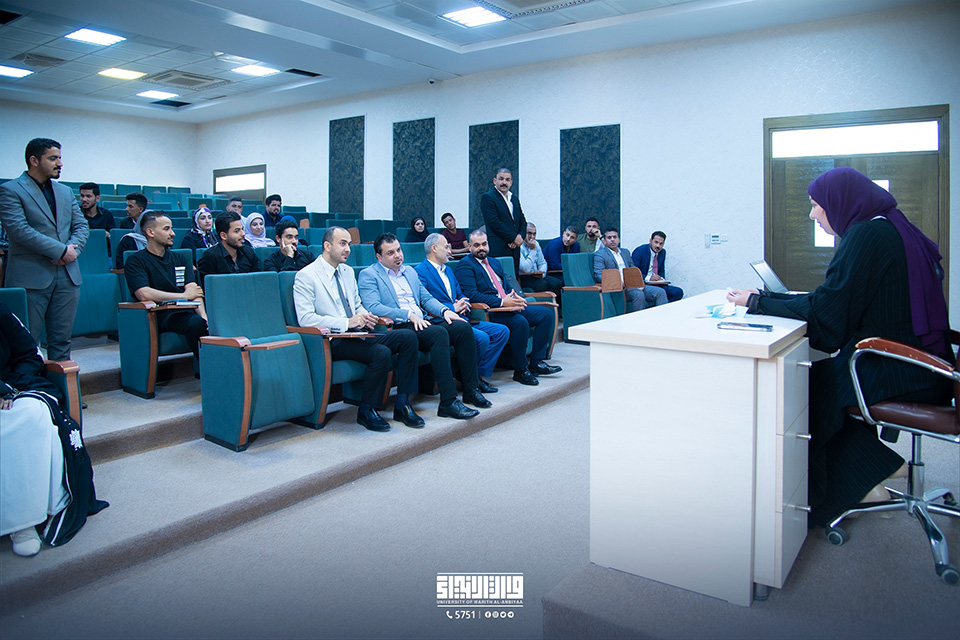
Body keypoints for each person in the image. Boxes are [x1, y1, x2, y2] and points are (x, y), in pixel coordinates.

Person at [727, 167, 952, 529]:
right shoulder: (890, 226)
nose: (812, 214)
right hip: (927, 366)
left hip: (898, 369)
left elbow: (829, 320)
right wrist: (771, 300)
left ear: (840, 202)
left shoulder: (864, 236)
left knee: (799, 389)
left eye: (816, 205)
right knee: (820, 380)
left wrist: (757, 302)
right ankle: (875, 474)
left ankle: (868, 476)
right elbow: (837, 303)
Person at [1, 304, 108, 557]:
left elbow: (29, 355)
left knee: (33, 415)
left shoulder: (2, 313)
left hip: (11, 389)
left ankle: (25, 520)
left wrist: (8, 389)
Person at [293, 226, 424, 432]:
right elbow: (305, 319)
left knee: (407, 337)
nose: (348, 249)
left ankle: (402, 404)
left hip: (358, 333)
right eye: (342, 244)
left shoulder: (346, 271)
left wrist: (365, 316)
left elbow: (356, 304)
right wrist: (347, 323)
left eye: (349, 244)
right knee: (381, 352)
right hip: (333, 339)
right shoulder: (306, 276)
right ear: (327, 246)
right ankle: (366, 410)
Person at [359, 233, 487, 418]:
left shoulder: (409, 272)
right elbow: (373, 306)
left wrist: (445, 311)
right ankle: (448, 402)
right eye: (390, 253)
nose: (398, 256)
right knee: (438, 334)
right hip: (400, 326)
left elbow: (426, 298)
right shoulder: (369, 275)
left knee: (462, 328)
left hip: (422, 322)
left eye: (398, 250)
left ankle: (471, 389)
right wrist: (407, 315)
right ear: (379, 257)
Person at [0, 138, 88, 360]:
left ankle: (61, 382)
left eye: (60, 158)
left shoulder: (65, 192)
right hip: (30, 276)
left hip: (67, 275)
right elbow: (19, 230)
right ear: (34, 160)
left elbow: (81, 225)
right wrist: (60, 251)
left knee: (62, 341)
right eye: (53, 158)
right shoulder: (10, 190)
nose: (60, 163)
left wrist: (72, 252)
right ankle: (30, 382)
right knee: (27, 342)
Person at [455, 230, 561, 386]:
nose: (481, 248)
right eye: (476, 245)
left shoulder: (494, 262)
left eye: (484, 244)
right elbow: (471, 294)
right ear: (470, 246)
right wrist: (502, 302)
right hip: (489, 310)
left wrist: (514, 296)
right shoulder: (465, 265)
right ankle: (521, 370)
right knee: (520, 322)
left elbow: (504, 286)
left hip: (507, 305)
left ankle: (536, 362)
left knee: (545, 315)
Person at [415, 233, 508, 392]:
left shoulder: (448, 270)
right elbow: (425, 302)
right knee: (482, 338)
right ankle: (472, 380)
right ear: (434, 249)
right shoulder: (420, 271)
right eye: (446, 247)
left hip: (463, 317)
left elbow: (460, 293)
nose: (450, 251)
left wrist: (464, 302)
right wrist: (453, 308)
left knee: (501, 332)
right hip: (442, 321)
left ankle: (473, 375)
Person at [123, 212, 208, 366]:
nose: (173, 233)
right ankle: (211, 369)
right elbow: (144, 293)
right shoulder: (135, 261)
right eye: (167, 229)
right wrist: (183, 296)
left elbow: (193, 291)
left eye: (171, 228)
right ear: (150, 232)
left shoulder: (180, 258)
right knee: (196, 324)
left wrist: (204, 316)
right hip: (160, 314)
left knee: (209, 322)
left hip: (187, 310)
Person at [594, 227, 665, 312]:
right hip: (618, 288)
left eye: (615, 237)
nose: (612, 240)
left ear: (619, 240)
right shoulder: (600, 254)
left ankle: (662, 319)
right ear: (604, 241)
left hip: (632, 285)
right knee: (638, 294)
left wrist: (638, 281)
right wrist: (617, 282)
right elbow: (598, 275)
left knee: (660, 292)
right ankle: (638, 319)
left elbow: (633, 269)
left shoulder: (625, 252)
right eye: (609, 238)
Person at [479, 168, 526, 275]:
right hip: (499, 248)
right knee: (498, 281)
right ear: (495, 181)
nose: (504, 182)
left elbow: (522, 221)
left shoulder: (514, 199)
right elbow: (494, 223)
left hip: (514, 250)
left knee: (513, 281)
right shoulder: (488, 197)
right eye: (501, 179)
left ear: (511, 182)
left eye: (507, 180)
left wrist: (520, 237)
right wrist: (513, 238)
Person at [197, 212, 260, 286]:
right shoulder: (209, 257)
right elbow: (210, 288)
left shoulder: (249, 252)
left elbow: (257, 282)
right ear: (223, 236)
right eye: (237, 231)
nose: (243, 233)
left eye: (242, 229)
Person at [632, 230, 683, 302]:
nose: (658, 246)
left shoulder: (662, 252)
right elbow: (633, 273)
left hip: (657, 284)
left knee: (678, 292)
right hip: (644, 284)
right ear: (650, 241)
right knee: (661, 292)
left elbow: (661, 270)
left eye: (661, 244)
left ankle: (664, 305)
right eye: (656, 242)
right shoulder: (640, 251)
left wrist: (662, 280)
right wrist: (649, 278)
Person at [519, 223, 562, 299]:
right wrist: (533, 249)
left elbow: (542, 262)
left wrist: (541, 273)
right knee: (543, 284)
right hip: (525, 276)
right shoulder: (519, 246)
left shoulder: (536, 244)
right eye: (529, 233)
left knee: (557, 283)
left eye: (534, 234)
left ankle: (555, 305)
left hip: (538, 275)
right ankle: (545, 304)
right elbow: (526, 269)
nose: (532, 237)